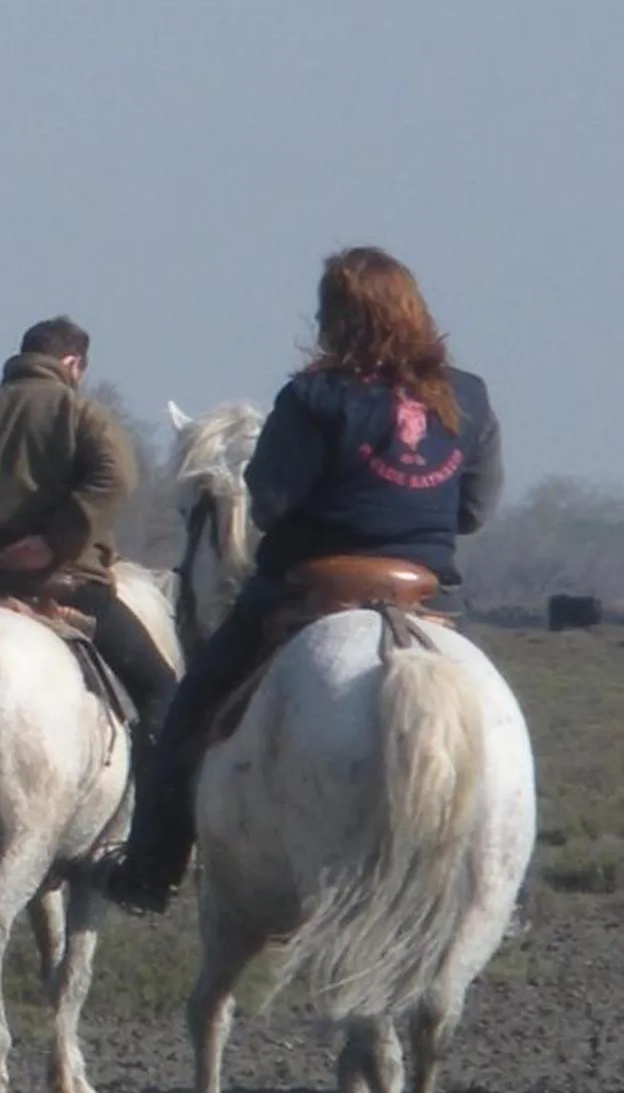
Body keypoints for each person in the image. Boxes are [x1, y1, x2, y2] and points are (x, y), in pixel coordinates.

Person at [102, 247, 505, 914]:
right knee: (490, 721)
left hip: (312, 585)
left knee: (187, 712)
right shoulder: (468, 396)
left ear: (334, 319)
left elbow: (271, 503)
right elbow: (475, 508)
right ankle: (500, 889)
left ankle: (152, 869)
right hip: (428, 590)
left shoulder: (314, 397)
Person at [0, 316, 179, 783]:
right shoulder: (82, 415)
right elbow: (116, 477)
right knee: (163, 692)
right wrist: (53, 544)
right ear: (72, 363)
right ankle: (151, 836)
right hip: (65, 586)